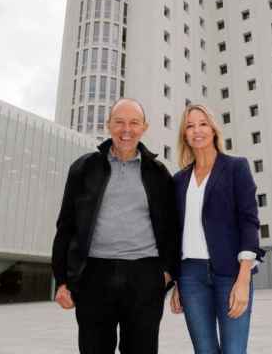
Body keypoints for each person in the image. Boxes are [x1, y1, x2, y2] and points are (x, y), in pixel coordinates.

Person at [51, 98, 178, 354]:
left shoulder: (158, 172)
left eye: (134, 123)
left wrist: (167, 272)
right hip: (94, 275)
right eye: (119, 122)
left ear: (144, 127)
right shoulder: (83, 168)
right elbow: (65, 226)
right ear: (108, 125)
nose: (126, 129)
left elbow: (172, 228)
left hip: (145, 275)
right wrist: (61, 280)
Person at [169, 103, 264, 354]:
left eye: (203, 124)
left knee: (234, 350)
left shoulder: (236, 167)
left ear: (213, 130)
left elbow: (249, 221)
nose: (197, 130)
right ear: (184, 134)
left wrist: (243, 278)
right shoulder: (178, 180)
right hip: (191, 277)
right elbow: (176, 233)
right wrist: (178, 282)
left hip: (230, 273)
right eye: (190, 126)